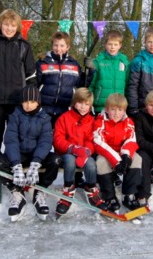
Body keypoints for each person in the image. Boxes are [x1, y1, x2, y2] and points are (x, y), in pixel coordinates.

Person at [0, 9, 36, 189]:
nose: (9, 28)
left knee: (18, 140)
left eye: (12, 25)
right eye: (6, 24)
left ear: (17, 26)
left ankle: (21, 175)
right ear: (0, 25)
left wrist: (31, 102)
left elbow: (32, 77)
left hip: (19, 103)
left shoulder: (24, 46)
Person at [0, 86, 61, 221]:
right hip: (19, 155)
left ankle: (40, 191)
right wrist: (16, 164)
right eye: (25, 101)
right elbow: (11, 140)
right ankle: (17, 191)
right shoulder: (15, 115)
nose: (28, 105)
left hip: (37, 155)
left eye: (32, 101)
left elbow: (45, 141)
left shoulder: (45, 118)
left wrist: (36, 162)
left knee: (56, 160)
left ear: (38, 102)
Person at [36, 31, 92, 187]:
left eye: (62, 45)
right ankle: (41, 173)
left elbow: (82, 85)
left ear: (67, 46)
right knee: (45, 141)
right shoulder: (43, 62)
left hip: (64, 109)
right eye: (55, 45)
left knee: (67, 141)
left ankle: (74, 174)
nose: (58, 48)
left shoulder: (74, 65)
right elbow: (35, 84)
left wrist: (90, 71)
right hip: (45, 109)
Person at [53, 88, 107, 217]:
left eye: (87, 104)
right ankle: (68, 189)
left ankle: (91, 188)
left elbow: (91, 139)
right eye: (80, 103)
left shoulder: (91, 121)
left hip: (84, 153)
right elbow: (58, 139)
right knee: (70, 161)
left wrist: (86, 150)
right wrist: (72, 148)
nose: (83, 107)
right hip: (66, 152)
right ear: (74, 103)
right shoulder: (64, 118)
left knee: (91, 164)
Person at [86, 30, 129, 187]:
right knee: (102, 139)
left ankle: (115, 170)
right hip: (101, 106)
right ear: (105, 45)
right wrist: (89, 99)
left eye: (115, 44)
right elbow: (91, 82)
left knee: (115, 140)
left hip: (118, 108)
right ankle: (103, 172)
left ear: (120, 45)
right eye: (110, 44)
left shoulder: (124, 62)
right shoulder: (99, 61)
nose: (112, 47)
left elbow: (128, 82)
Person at [93, 93, 142, 213]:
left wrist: (126, 155)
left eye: (120, 110)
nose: (116, 113)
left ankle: (129, 194)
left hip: (121, 152)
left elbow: (131, 139)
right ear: (107, 109)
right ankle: (109, 196)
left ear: (124, 110)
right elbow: (99, 143)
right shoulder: (100, 121)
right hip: (105, 153)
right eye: (113, 109)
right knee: (101, 162)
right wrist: (116, 161)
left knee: (137, 158)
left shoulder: (128, 121)